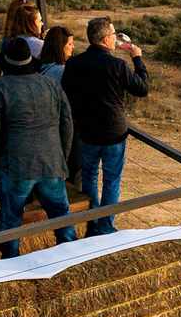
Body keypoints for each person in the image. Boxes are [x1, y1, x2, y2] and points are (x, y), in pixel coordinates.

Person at [0, 38, 75, 258]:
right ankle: (72, 258)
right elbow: (67, 123)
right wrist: (62, 156)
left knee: (11, 221)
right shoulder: (50, 83)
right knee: (62, 216)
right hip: (51, 161)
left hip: (16, 165)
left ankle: (10, 266)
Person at [60, 16, 149, 236]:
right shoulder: (117, 65)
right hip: (113, 132)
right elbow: (142, 88)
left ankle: (92, 222)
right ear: (105, 38)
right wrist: (137, 59)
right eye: (113, 34)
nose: (114, 38)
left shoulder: (74, 63)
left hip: (87, 132)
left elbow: (66, 94)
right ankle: (106, 225)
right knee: (111, 180)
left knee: (89, 176)